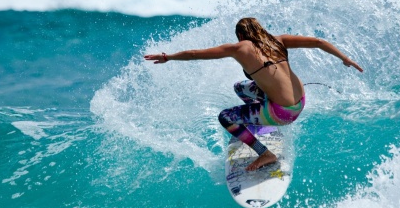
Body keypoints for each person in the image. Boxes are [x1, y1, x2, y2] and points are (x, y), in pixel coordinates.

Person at [144, 17, 363, 171]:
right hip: (300, 103)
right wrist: (344, 58)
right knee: (241, 87)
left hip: (282, 113)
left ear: (240, 34)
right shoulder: (278, 40)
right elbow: (318, 42)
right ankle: (260, 120)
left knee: (226, 117)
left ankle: (264, 152)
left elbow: (194, 54)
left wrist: (168, 57)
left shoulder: (240, 48)